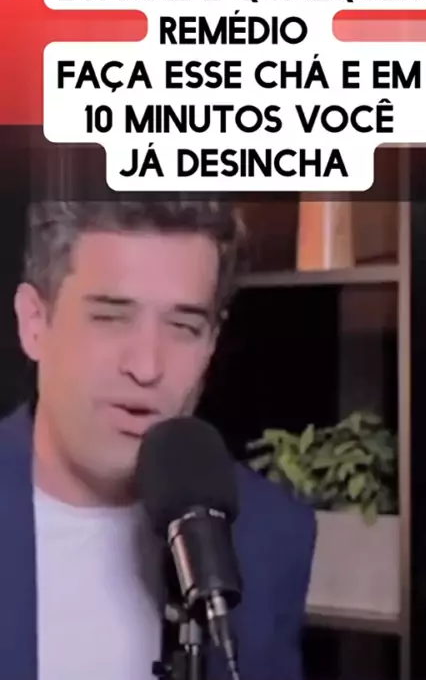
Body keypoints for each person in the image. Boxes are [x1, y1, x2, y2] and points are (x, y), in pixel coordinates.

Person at [0, 198, 316, 680]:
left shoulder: (269, 532)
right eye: (111, 317)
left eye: (183, 327)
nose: (147, 366)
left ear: (212, 343)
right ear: (34, 323)